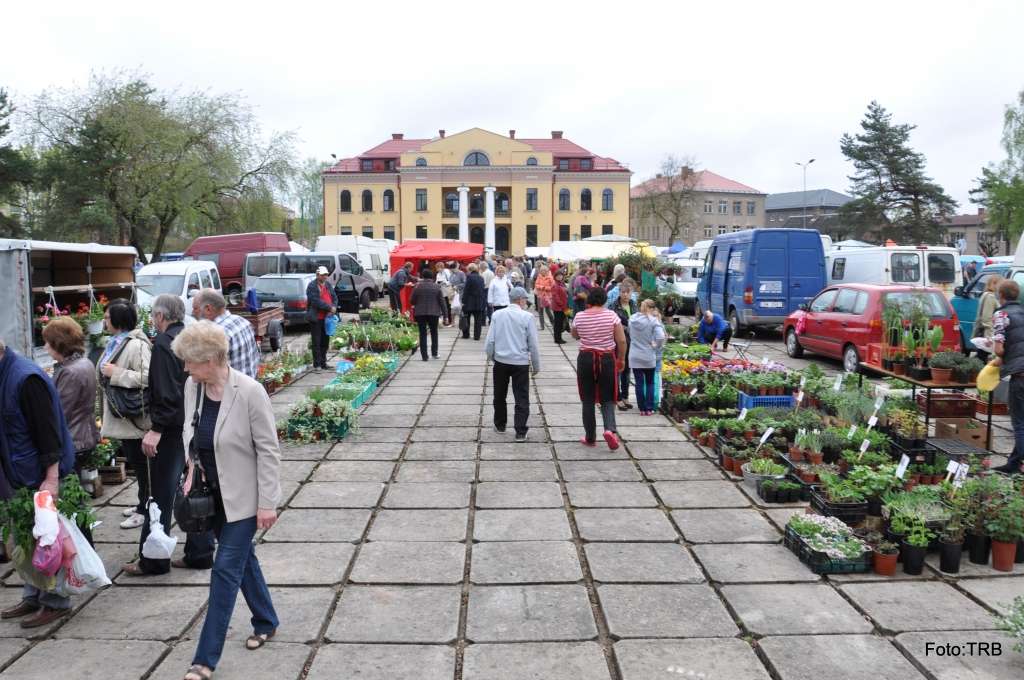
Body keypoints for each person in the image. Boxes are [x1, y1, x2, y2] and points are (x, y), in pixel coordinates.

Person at [173, 321, 281, 680]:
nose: (185, 368)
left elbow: (268, 451)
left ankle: (204, 660)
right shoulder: (193, 387)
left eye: (190, 361)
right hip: (210, 497)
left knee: (224, 570)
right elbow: (190, 435)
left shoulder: (250, 392)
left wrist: (268, 503)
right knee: (243, 560)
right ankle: (266, 620)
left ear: (210, 360)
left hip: (244, 499)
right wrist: (191, 472)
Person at [0, 336, 77, 628]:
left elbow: (49, 433)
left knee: (48, 538)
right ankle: (33, 595)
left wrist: (52, 478)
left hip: (38, 475)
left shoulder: (26, 378)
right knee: (25, 538)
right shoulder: (6, 374)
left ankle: (56, 601)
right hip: (18, 473)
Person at [113, 294, 188, 575]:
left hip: (171, 429)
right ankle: (200, 551)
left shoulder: (165, 344)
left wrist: (156, 430)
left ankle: (153, 560)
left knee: (160, 494)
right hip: (190, 425)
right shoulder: (187, 336)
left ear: (160, 316)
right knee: (194, 486)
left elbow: (168, 394)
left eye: (154, 316)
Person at [98, 298, 153, 531]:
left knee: (143, 466)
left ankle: (146, 510)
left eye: (107, 317)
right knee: (137, 464)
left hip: (134, 419)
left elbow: (148, 377)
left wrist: (117, 373)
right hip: (123, 416)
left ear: (118, 320)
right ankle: (143, 503)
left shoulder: (136, 345)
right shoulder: (116, 342)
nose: (104, 321)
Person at [41, 317, 99, 487]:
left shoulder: (69, 372)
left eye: (47, 342)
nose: (45, 347)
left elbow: (59, 413)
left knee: (68, 492)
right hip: (84, 435)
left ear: (58, 343)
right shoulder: (84, 363)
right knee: (75, 489)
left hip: (73, 440)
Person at [572, 287, 627, 450]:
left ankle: (590, 437)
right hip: (606, 358)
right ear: (604, 300)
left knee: (587, 398)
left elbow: (575, 335)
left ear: (589, 299)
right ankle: (610, 430)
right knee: (608, 396)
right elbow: (621, 341)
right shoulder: (611, 316)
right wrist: (621, 359)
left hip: (586, 358)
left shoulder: (579, 316)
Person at [485, 287, 540, 442]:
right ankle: (520, 431)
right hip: (520, 362)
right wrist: (536, 365)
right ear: (521, 300)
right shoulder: (527, 317)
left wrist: (492, 357)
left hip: (501, 361)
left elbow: (490, 341)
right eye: (525, 300)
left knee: (499, 395)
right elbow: (533, 344)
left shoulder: (497, 315)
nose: (526, 302)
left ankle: (500, 425)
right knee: (521, 396)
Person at [991, 279, 1024, 474]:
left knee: (1019, 424)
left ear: (1000, 295)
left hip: (1020, 375)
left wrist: (998, 356)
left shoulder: (1001, 314)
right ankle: (1013, 464)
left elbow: (999, 349)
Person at [192, 289, 260, 379]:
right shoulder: (242, 321)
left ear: (208, 309)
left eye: (195, 308)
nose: (193, 313)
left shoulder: (214, 335)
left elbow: (213, 375)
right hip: (251, 384)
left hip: (232, 387)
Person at [629, 300, 667, 416]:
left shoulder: (632, 319)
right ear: (651, 309)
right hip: (648, 355)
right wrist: (656, 345)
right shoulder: (653, 321)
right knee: (650, 383)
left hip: (635, 355)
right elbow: (661, 336)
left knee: (639, 383)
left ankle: (642, 409)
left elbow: (629, 332)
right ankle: (649, 408)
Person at [609, 278, 638, 410]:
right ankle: (617, 397)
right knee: (617, 369)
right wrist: (628, 328)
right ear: (619, 292)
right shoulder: (613, 306)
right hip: (618, 342)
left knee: (627, 370)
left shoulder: (634, 305)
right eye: (623, 292)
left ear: (631, 293)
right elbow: (614, 325)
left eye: (628, 292)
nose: (625, 295)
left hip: (632, 342)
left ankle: (625, 396)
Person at [306, 266, 337, 372]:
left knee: (325, 341)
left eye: (326, 275)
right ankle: (317, 364)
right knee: (316, 342)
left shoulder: (328, 285)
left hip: (327, 318)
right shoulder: (312, 286)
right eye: (323, 275)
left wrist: (334, 307)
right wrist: (329, 308)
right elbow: (315, 301)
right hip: (316, 318)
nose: (325, 277)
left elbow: (334, 297)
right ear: (317, 275)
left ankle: (324, 363)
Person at [411, 269, 445, 361]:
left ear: (423, 276)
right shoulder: (437, 287)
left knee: (422, 334)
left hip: (420, 313)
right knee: (434, 333)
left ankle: (424, 356)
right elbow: (442, 302)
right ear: (432, 276)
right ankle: (434, 353)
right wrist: (445, 315)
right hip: (434, 313)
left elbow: (412, 301)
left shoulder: (417, 286)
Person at [973, 275, 1003, 359]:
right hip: (987, 336)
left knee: (981, 358)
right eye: (1000, 284)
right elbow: (986, 319)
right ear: (994, 284)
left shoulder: (986, 295)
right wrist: (990, 337)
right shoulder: (990, 297)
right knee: (983, 358)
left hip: (985, 335)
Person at [461, 263, 487, 340]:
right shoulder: (481, 278)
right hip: (479, 301)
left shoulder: (469, 277)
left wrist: (463, 301)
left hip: (469, 301)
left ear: (470, 269)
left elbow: (466, 290)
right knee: (478, 320)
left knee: (466, 318)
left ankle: (466, 335)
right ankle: (477, 336)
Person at [533, 265, 555, 331]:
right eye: (542, 270)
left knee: (548, 311)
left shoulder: (550, 278)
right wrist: (541, 287)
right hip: (540, 296)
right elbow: (536, 285)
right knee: (540, 311)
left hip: (547, 296)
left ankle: (553, 323)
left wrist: (545, 288)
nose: (543, 272)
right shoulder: (539, 277)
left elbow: (553, 287)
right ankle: (542, 326)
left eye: (544, 270)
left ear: (547, 271)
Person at [550, 270, 569, 344]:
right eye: (558, 276)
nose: (560, 277)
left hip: (564, 306)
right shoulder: (555, 285)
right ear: (555, 277)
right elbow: (555, 297)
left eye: (561, 275)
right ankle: (557, 339)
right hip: (558, 308)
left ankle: (559, 337)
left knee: (561, 322)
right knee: (558, 324)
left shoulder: (562, 284)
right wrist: (561, 304)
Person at [435, 261, 453, 327]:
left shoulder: (446, 271)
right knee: (443, 306)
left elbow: (451, 281)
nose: (437, 269)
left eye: (438, 268)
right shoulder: (438, 274)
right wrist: (438, 283)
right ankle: (445, 320)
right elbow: (436, 282)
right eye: (437, 268)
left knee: (448, 306)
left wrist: (445, 282)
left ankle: (449, 321)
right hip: (441, 291)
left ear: (441, 267)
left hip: (447, 291)